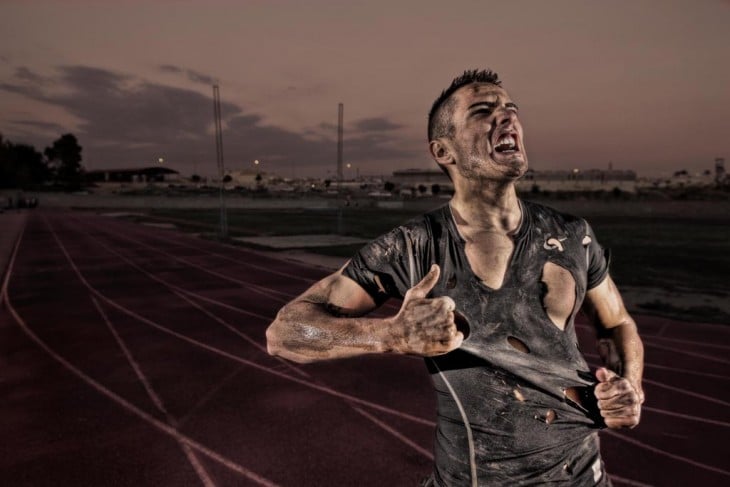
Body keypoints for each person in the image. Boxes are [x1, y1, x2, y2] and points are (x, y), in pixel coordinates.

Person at [266, 69, 644, 486]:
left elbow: (617, 323)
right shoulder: (413, 247)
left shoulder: (573, 234)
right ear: (443, 151)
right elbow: (283, 334)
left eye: (510, 109)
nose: (508, 118)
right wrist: (391, 336)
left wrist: (628, 387)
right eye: (484, 111)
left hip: (583, 476)